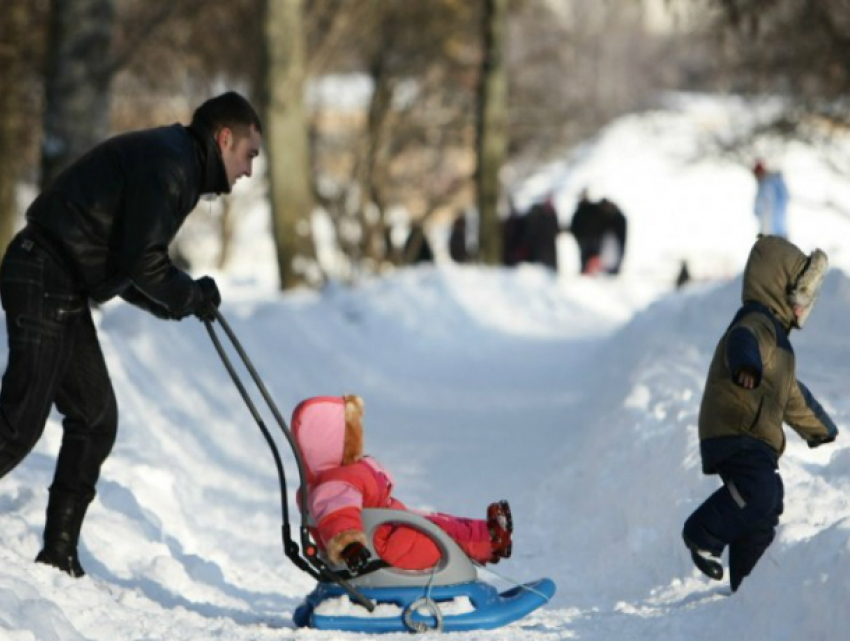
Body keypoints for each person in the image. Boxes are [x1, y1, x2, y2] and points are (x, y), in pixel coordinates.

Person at [0, 91, 263, 577]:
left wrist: (178, 302)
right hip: (44, 272)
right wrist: (186, 294)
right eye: (249, 154)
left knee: (95, 419)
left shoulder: (176, 159)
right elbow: (143, 262)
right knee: (17, 423)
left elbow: (128, 260)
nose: (249, 170)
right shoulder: (173, 165)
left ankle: (58, 557)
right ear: (225, 139)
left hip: (59, 281)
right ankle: (57, 555)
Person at [682, 235, 837, 592]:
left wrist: (820, 429)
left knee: (767, 504)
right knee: (759, 490)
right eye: (801, 293)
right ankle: (702, 533)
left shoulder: (780, 344)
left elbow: (791, 395)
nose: (805, 305)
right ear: (780, 287)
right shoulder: (756, 323)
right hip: (736, 427)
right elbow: (741, 342)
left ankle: (748, 582)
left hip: (754, 437)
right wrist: (746, 366)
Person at [291, 395, 513, 572]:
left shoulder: (338, 474)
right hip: (382, 547)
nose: (358, 439)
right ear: (329, 442)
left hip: (387, 529)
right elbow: (338, 515)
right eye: (351, 434)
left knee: (435, 519)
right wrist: (350, 547)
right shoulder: (333, 484)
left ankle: (488, 532)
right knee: (439, 536)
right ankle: (490, 541)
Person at [753, 160, 790, 238]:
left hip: (775, 232)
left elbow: (767, 207)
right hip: (773, 230)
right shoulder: (766, 185)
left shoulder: (769, 185)